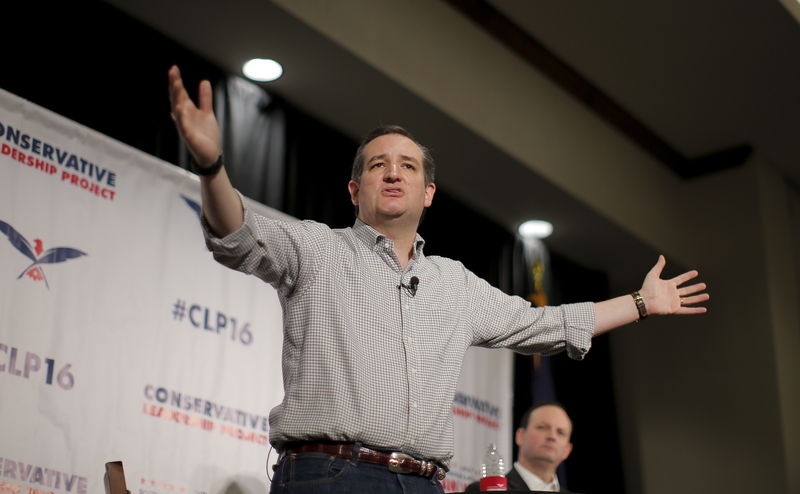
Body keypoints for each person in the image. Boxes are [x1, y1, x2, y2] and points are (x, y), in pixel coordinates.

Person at [167, 65, 709, 494]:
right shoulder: (317, 248)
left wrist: (640, 301)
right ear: (356, 191)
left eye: (408, 165)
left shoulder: (456, 284)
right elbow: (235, 232)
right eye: (378, 165)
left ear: (428, 193)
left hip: (425, 484)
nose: (394, 172)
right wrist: (213, 166)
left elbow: (546, 323)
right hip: (330, 477)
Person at [465, 402, 575, 492]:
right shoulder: (484, 491)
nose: (552, 436)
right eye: (542, 427)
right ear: (520, 436)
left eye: (560, 432)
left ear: (567, 450)